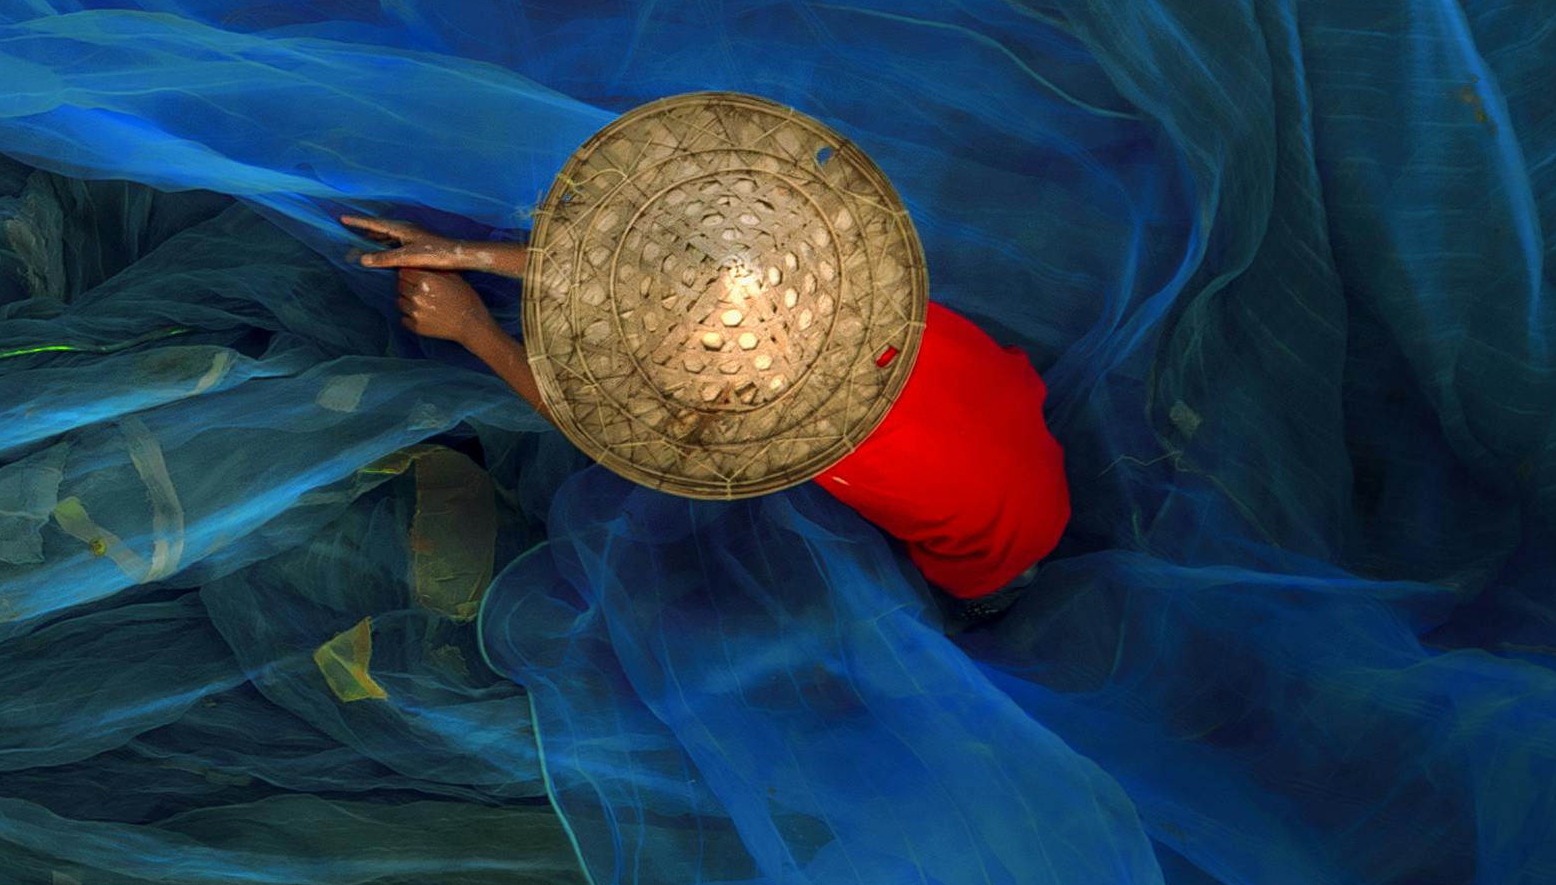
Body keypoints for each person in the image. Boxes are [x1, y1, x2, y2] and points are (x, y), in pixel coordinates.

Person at [340, 93, 1069, 610]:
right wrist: (469, 253)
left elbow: (600, 427)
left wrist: (477, 331)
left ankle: (998, 599)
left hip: (989, 546)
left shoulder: (776, 419)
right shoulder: (845, 288)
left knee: (974, 584)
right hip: (1014, 428)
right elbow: (664, 279)